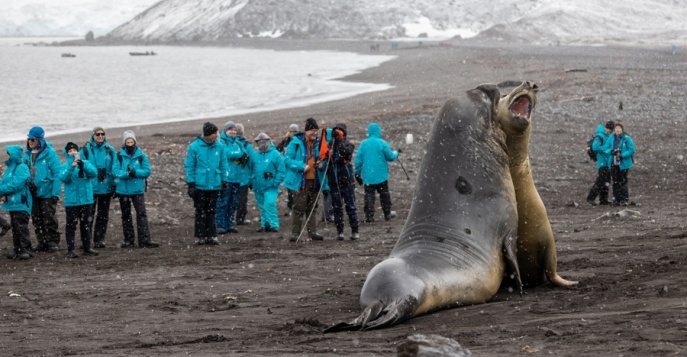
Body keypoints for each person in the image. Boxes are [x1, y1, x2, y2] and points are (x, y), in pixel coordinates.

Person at [113, 130, 159, 248]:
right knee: (126, 215)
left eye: (131, 141)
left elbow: (147, 171)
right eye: (127, 142)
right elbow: (115, 172)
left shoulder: (141, 155)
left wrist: (136, 172)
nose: (130, 144)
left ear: (135, 141)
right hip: (123, 191)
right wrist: (127, 174)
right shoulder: (119, 156)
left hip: (137, 190)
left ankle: (144, 240)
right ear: (124, 143)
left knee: (141, 214)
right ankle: (129, 240)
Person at [185, 122, 229, 246]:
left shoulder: (219, 147)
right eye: (215, 133)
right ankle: (200, 236)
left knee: (211, 210)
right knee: (200, 211)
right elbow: (189, 166)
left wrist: (224, 181)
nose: (217, 135)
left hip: (214, 184)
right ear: (209, 134)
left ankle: (212, 235)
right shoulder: (194, 147)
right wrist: (191, 184)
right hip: (200, 185)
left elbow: (224, 164)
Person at [283, 117, 326, 242]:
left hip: (315, 180)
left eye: (316, 131)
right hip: (301, 181)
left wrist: (321, 164)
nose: (315, 133)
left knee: (312, 207)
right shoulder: (296, 143)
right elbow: (287, 160)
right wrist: (302, 166)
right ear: (306, 130)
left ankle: (312, 233)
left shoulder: (318, 143)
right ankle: (295, 234)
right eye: (313, 130)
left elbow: (322, 158)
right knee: (298, 208)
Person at [23, 126, 62, 252]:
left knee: (49, 218)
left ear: (40, 140)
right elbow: (24, 172)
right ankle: (42, 242)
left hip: (47, 192)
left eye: (33, 139)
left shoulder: (49, 153)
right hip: (33, 192)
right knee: (36, 219)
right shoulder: (27, 155)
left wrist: (55, 194)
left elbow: (57, 173)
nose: (30, 141)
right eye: (29, 139)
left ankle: (53, 242)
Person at [59, 142, 98, 258]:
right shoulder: (64, 166)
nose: (72, 152)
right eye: (70, 151)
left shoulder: (86, 163)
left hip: (86, 200)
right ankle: (71, 249)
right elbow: (64, 178)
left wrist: (83, 166)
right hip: (72, 201)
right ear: (67, 153)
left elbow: (93, 174)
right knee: (71, 225)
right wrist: (72, 167)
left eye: (74, 150)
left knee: (86, 224)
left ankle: (87, 248)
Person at [354, 122, 399, 222]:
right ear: (378, 131)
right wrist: (396, 153)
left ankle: (369, 216)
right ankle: (387, 213)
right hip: (381, 175)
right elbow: (390, 157)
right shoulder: (382, 143)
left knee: (369, 196)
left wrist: (357, 173)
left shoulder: (363, 144)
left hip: (368, 176)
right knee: (384, 194)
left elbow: (358, 160)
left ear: (369, 132)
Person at [80, 127, 116, 248]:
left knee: (103, 215)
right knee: (88, 216)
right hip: (90, 188)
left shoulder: (110, 150)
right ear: (93, 136)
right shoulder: (85, 150)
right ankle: (87, 240)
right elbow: (79, 167)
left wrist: (114, 184)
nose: (100, 136)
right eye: (98, 134)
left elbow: (115, 168)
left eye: (102, 134)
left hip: (106, 188)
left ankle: (99, 239)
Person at [323, 123, 360, 240]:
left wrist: (338, 141)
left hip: (347, 182)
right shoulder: (329, 147)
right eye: (336, 132)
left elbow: (346, 153)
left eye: (340, 131)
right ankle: (340, 232)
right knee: (337, 208)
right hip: (334, 182)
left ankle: (355, 231)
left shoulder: (349, 144)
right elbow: (326, 160)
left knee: (351, 206)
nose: (337, 133)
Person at [1, 145, 33, 260]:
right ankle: (18, 249)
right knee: (15, 227)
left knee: (21, 226)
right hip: (12, 203)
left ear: (14, 154)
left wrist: (1, 190)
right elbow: (3, 183)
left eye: (8, 153)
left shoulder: (22, 167)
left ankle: (26, 249)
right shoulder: (9, 168)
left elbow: (16, 185)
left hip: (22, 202)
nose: (7, 155)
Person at [250, 133, 285, 232]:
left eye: (264, 141)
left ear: (268, 141)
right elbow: (251, 169)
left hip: (271, 186)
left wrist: (275, 182)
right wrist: (252, 180)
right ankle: (265, 224)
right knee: (262, 206)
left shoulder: (275, 154)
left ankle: (274, 224)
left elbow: (281, 170)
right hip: (258, 186)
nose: (261, 143)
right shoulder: (255, 155)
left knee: (269, 204)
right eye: (259, 141)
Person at [215, 121, 245, 234]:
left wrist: (239, 155)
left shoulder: (237, 143)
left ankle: (229, 224)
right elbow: (228, 154)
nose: (233, 131)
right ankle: (220, 225)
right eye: (230, 129)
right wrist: (239, 155)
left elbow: (244, 153)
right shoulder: (221, 143)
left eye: (234, 130)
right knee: (223, 202)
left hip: (237, 178)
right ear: (225, 131)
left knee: (233, 203)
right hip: (226, 178)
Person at [586, 121, 615, 206]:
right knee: (601, 180)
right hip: (602, 161)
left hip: (607, 162)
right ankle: (591, 198)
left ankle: (603, 199)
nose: (610, 131)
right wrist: (606, 150)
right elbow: (595, 147)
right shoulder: (600, 136)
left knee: (606, 180)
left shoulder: (605, 136)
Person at [609, 122, 636, 206]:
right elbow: (606, 148)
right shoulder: (611, 138)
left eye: (619, 128)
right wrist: (611, 151)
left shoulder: (626, 138)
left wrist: (622, 155)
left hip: (624, 163)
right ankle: (616, 200)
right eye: (616, 128)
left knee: (623, 181)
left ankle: (624, 200)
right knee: (615, 182)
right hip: (613, 163)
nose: (617, 129)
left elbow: (632, 150)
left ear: (622, 129)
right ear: (614, 129)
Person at [276, 123, 298, 216]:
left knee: (297, 189)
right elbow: (277, 150)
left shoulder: (299, 141)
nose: (292, 133)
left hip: (297, 167)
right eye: (291, 131)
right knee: (290, 189)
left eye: (294, 131)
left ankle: (297, 207)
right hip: (287, 168)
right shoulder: (286, 141)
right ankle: (290, 208)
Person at [234, 123, 254, 226]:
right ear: (242, 132)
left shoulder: (230, 144)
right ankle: (240, 219)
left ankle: (227, 219)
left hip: (231, 177)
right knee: (242, 199)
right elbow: (252, 162)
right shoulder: (247, 145)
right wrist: (252, 177)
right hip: (243, 177)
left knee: (229, 198)